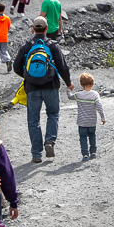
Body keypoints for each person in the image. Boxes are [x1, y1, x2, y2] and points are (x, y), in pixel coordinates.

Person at [14, 16, 72, 163]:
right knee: (53, 114)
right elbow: (63, 67)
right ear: (47, 29)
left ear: (33, 28)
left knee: (33, 120)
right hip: (51, 86)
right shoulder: (53, 46)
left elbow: (16, 67)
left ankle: (36, 154)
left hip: (32, 88)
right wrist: (68, 82)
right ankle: (50, 141)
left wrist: (28, 76)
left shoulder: (27, 46)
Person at [68, 72, 107, 162]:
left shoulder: (78, 95)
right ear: (92, 84)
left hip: (82, 122)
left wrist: (69, 89)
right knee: (92, 136)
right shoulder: (95, 95)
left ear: (81, 84)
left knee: (83, 137)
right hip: (92, 121)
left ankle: (85, 154)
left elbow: (70, 97)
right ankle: (93, 152)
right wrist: (103, 117)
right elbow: (99, 106)